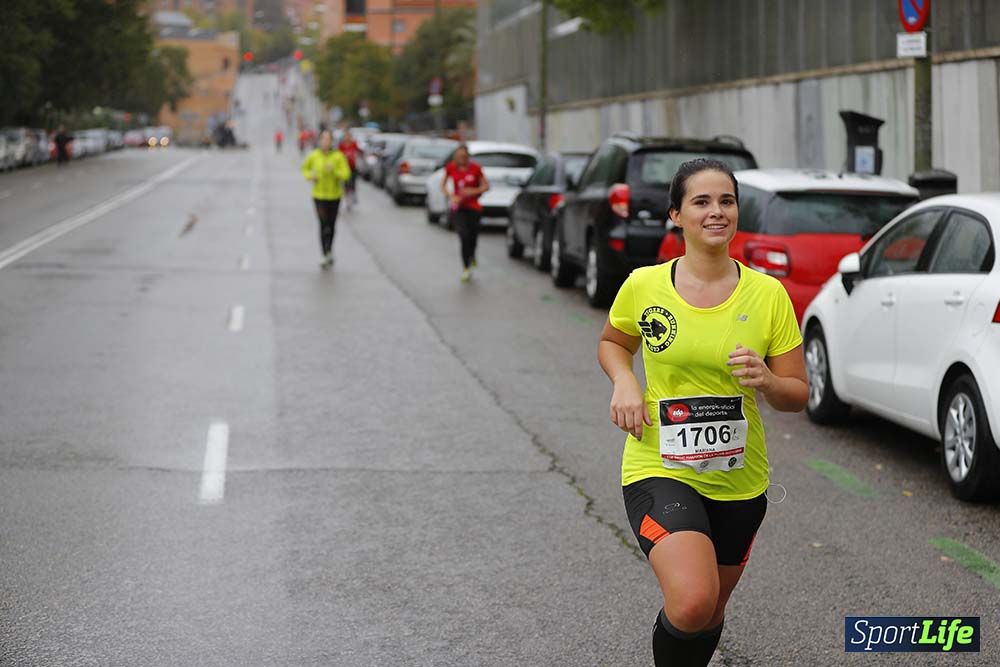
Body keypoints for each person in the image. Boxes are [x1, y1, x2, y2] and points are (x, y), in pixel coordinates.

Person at [597, 158, 808, 666]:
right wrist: (625, 381)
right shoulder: (645, 285)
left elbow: (796, 393)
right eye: (702, 201)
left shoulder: (768, 295)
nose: (717, 212)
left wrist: (767, 380)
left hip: (739, 479)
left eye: (727, 201)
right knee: (691, 601)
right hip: (658, 466)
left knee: (710, 610)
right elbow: (612, 343)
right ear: (676, 214)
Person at [301, 129, 351, 269]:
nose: (325, 142)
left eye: (328, 139)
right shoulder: (314, 155)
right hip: (319, 195)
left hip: (334, 196)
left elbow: (346, 174)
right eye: (323, 139)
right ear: (320, 141)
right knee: (323, 224)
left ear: (331, 142)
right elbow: (304, 169)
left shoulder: (338, 156)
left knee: (331, 225)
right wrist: (311, 176)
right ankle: (324, 253)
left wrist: (334, 170)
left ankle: (330, 250)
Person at [441, 145, 490, 282]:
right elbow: (443, 185)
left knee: (473, 236)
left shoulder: (475, 169)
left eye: (463, 156)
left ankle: (472, 255)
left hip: (473, 207)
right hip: (458, 208)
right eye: (458, 156)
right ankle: (466, 268)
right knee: (463, 235)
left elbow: (486, 186)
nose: (461, 159)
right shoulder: (451, 167)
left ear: (467, 156)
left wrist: (472, 191)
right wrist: (451, 196)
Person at [338, 130, 360, 210]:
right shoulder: (341, 145)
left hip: (352, 167)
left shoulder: (354, 144)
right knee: (346, 184)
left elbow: (357, 152)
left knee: (352, 183)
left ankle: (353, 195)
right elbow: (338, 155)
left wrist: (355, 156)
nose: (347, 138)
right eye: (346, 136)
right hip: (344, 167)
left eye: (348, 136)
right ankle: (348, 201)